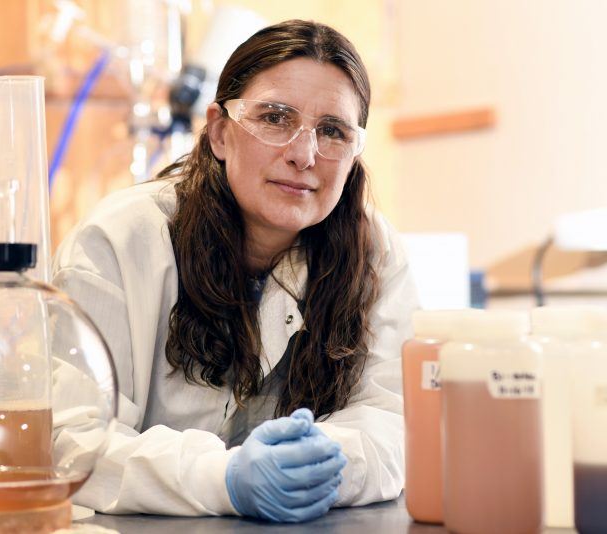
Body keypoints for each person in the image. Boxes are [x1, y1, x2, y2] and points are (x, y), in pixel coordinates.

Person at [52, 19, 419, 523]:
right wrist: (221, 478)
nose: (303, 154)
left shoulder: (372, 251)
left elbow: (395, 416)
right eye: (274, 118)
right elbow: (72, 441)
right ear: (221, 133)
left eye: (333, 131)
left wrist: (324, 459)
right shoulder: (119, 242)